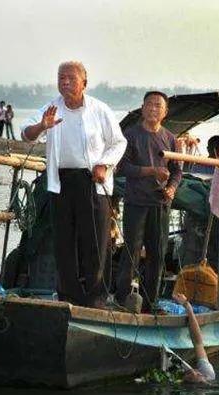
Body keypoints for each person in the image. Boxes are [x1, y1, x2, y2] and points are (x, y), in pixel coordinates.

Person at [22, 61, 127, 308]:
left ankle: (96, 299)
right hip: (60, 182)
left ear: (84, 83)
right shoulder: (50, 109)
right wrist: (42, 126)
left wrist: (104, 164)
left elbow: (119, 143)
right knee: (64, 242)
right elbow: (26, 133)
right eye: (61, 78)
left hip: (92, 181)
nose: (65, 82)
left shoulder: (99, 110)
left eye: (70, 78)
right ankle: (68, 296)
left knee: (95, 243)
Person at [115, 91, 182, 312]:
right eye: (149, 105)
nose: (153, 109)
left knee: (157, 254)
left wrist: (171, 188)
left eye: (158, 106)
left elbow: (177, 172)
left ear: (165, 112)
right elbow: (122, 167)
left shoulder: (170, 139)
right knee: (131, 251)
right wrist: (151, 170)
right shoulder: (131, 135)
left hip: (160, 203)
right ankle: (121, 299)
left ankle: (149, 303)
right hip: (136, 202)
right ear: (143, 108)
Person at [172, 292, 216, 383]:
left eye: (190, 375)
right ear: (202, 375)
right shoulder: (208, 372)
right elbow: (197, 342)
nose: (193, 371)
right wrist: (187, 306)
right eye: (197, 373)